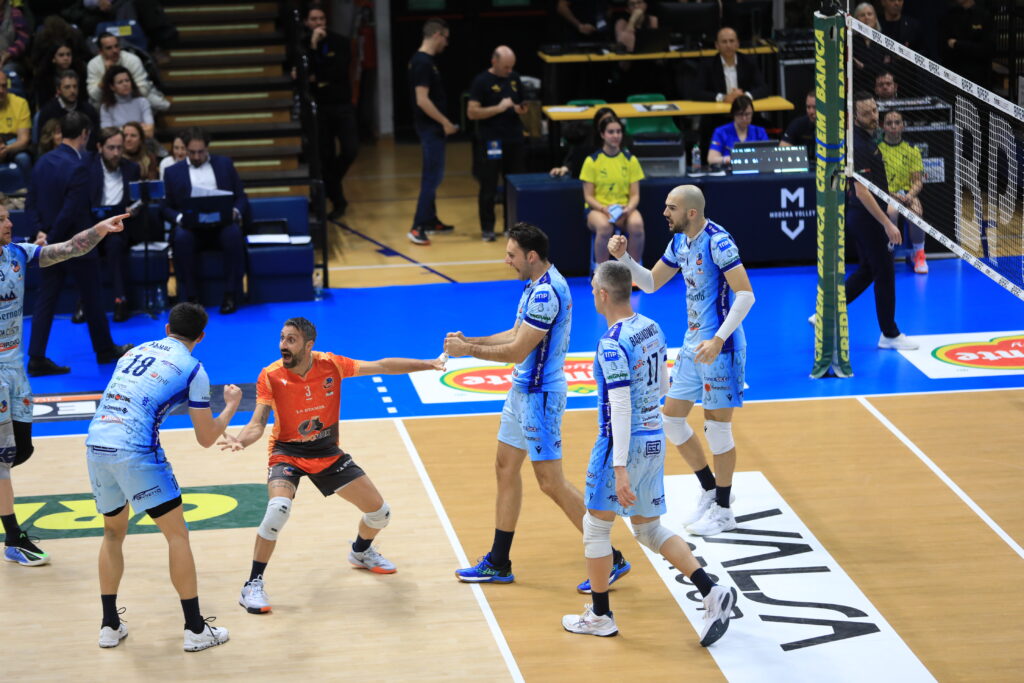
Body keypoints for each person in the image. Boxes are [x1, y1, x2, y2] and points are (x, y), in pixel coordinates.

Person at [446, 222, 631, 592]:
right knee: (505, 468)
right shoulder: (535, 284)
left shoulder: (547, 293)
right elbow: (516, 332)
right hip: (521, 392)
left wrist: (468, 351)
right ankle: (498, 562)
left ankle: (611, 558)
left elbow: (517, 351)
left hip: (540, 397)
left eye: (512, 255)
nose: (507, 261)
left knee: (551, 482)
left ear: (531, 256)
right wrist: (472, 340)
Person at [217, 317, 445, 614]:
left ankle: (360, 552)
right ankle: (252, 585)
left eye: (291, 340)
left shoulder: (331, 365)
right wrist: (241, 440)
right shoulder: (270, 375)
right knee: (277, 510)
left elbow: (383, 366)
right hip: (287, 452)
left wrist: (429, 364)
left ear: (308, 345)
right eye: (282, 338)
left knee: (380, 514)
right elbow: (257, 423)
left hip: (326, 451)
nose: (283, 345)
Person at [561, 261, 737, 644]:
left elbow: (620, 406)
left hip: (620, 445)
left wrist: (620, 466)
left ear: (603, 294)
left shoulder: (611, 343)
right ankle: (711, 591)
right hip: (654, 436)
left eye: (592, 289)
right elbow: (663, 385)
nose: (591, 294)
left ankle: (600, 616)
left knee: (596, 527)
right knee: (648, 528)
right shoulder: (651, 327)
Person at [86, 302, 238, 651]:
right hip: (136, 450)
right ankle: (195, 629)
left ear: (167, 328)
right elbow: (205, 438)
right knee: (177, 535)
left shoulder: (133, 352)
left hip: (96, 443)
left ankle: (109, 625)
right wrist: (230, 406)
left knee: (112, 533)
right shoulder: (194, 369)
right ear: (201, 337)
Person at [608, 184, 755, 536]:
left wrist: (718, 339)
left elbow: (746, 295)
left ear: (691, 212)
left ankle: (724, 510)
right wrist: (625, 258)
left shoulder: (718, 242)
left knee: (717, 429)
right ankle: (710, 489)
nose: (664, 212)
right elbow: (650, 283)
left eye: (671, 207)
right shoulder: (679, 243)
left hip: (721, 347)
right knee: (672, 420)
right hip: (692, 345)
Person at [1, 208, 131, 567]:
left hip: (15, 368)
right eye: (1, 219)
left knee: (21, 450)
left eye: (8, 217)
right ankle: (13, 538)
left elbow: (69, 248)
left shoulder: (17, 254)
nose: (10, 223)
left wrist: (99, 230)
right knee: (3, 460)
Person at [26, 111, 134, 376]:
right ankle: (104, 349)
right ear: (85, 134)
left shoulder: (42, 162)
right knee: (92, 297)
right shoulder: (79, 166)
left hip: (48, 242)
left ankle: (36, 358)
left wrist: (41, 233)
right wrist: (53, 239)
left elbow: (31, 203)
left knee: (46, 299)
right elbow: (71, 210)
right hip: (76, 244)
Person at [846, 93, 917, 350]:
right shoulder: (858, 145)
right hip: (867, 217)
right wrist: (887, 223)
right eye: (866, 113)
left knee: (869, 269)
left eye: (875, 110)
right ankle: (889, 334)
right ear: (855, 116)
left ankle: (825, 311)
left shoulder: (869, 139)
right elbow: (862, 192)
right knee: (885, 272)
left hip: (863, 215)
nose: (873, 116)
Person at [161, 126, 249, 314]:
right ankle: (192, 298)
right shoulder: (172, 172)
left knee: (233, 234)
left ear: (207, 148)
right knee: (181, 238)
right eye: (192, 152)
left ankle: (230, 294)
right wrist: (180, 218)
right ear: (185, 149)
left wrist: (234, 212)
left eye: (201, 152)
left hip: (221, 225)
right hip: (191, 228)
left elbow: (241, 197)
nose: (197, 156)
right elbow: (165, 207)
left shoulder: (224, 164)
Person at [299, 4, 359, 221]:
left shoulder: (340, 42)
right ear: (306, 22)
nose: (319, 23)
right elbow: (305, 74)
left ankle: (330, 184)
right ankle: (338, 201)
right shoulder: (303, 45)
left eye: (322, 19)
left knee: (350, 150)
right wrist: (314, 47)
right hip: (320, 108)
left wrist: (317, 75)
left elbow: (338, 70)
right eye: (314, 19)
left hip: (342, 105)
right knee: (325, 156)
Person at [467, 45, 527, 243]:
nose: (509, 71)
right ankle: (487, 228)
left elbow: (523, 102)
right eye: (505, 67)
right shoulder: (481, 81)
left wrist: (520, 108)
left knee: (513, 184)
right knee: (489, 185)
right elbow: (472, 112)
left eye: (511, 67)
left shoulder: (515, 78)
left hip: (514, 139)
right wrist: (499, 108)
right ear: (494, 62)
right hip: (492, 141)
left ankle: (512, 227)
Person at [407, 18, 458, 246]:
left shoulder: (424, 61)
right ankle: (417, 227)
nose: (446, 43)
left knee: (433, 174)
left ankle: (430, 219)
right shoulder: (422, 63)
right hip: (430, 128)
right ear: (437, 34)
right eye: (445, 38)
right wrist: (445, 122)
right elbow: (422, 100)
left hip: (430, 127)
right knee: (432, 177)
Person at [83, 126, 142, 322]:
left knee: (115, 244)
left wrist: (134, 209)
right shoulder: (86, 168)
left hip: (118, 227)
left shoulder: (131, 169)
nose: (116, 153)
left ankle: (120, 300)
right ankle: (84, 302)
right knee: (85, 246)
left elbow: (138, 200)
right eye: (111, 148)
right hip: (91, 226)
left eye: (119, 148)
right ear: (99, 147)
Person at [580, 116, 644, 264]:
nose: (616, 135)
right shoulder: (591, 161)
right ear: (602, 135)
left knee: (637, 224)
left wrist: (628, 209)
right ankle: (602, 271)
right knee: (604, 226)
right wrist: (604, 209)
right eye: (611, 132)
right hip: (597, 210)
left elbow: (635, 195)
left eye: (618, 131)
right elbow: (588, 197)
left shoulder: (631, 160)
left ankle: (633, 270)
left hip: (624, 209)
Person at [878, 109, 927, 274]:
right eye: (889, 123)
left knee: (916, 212)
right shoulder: (878, 149)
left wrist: (909, 195)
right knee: (892, 211)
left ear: (903, 126)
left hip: (907, 193)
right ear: (883, 126)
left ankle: (919, 255)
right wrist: (893, 195)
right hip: (886, 193)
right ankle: (888, 253)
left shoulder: (912, 149)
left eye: (897, 122)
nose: (893, 126)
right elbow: (875, 180)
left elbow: (918, 181)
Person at [87, 34, 170, 113]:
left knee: (161, 104)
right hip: (108, 99)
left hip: (133, 95)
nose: (115, 51)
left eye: (116, 46)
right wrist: (106, 76)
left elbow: (143, 88)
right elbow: (94, 96)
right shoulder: (93, 64)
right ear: (101, 51)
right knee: (94, 105)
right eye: (109, 48)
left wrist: (123, 95)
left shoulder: (132, 59)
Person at [693, 26, 769, 104]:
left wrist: (744, 96)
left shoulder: (748, 62)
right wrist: (723, 98)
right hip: (718, 109)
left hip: (744, 108)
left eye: (731, 41)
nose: (728, 45)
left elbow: (763, 88)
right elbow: (696, 92)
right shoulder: (707, 65)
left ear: (737, 43)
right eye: (724, 42)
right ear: (717, 45)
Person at [549, 106, 629, 178]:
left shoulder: (620, 139)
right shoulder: (587, 136)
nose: (615, 135)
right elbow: (574, 160)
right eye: (604, 122)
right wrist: (564, 168)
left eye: (610, 120)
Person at [36, 70, 101, 148]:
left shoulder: (88, 110)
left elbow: (95, 137)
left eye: (75, 86)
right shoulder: (48, 111)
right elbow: (44, 142)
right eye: (67, 87)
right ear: (58, 90)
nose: (72, 91)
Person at [939, 0, 994, 90]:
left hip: (977, 79)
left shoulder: (984, 16)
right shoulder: (949, 15)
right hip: (954, 75)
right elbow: (944, 45)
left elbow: (987, 49)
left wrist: (958, 44)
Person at [706, 95, 768, 167]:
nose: (744, 118)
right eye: (740, 114)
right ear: (733, 114)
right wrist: (730, 159)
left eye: (747, 114)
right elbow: (711, 159)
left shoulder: (760, 131)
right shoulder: (720, 132)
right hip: (729, 170)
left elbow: (767, 155)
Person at [99, 65, 154, 138]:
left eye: (127, 80)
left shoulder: (142, 102)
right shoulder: (106, 107)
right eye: (120, 82)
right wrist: (138, 129)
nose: (125, 84)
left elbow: (150, 132)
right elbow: (107, 135)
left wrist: (119, 129)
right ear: (112, 87)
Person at [0, 75, 31, 189]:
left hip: (11, 146)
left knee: (23, 158)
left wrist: (6, 149)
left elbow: (23, 140)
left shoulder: (20, 103)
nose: (1, 90)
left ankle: (28, 192)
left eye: (4, 86)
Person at [851, 2, 890, 93]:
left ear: (875, 18)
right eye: (862, 15)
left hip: (882, 90)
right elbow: (853, 71)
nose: (866, 17)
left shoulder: (884, 41)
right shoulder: (850, 42)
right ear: (856, 21)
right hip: (857, 90)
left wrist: (863, 67)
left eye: (869, 14)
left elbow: (887, 68)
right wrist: (878, 67)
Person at [780, 90, 815, 162]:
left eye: (815, 107)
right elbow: (783, 148)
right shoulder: (798, 123)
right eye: (808, 107)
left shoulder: (834, 127)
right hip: (804, 165)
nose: (811, 112)